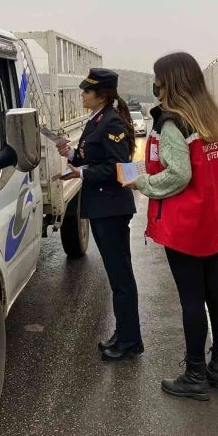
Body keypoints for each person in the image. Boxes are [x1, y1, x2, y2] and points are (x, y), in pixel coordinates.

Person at [126, 52, 218, 400]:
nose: (154, 85)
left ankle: (194, 374)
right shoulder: (208, 118)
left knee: (191, 300)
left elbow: (179, 174)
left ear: (170, 82)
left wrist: (141, 183)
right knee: (216, 293)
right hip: (210, 220)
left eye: (157, 79)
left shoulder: (173, 123)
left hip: (185, 224)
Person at [55, 68, 143, 361]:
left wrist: (82, 173)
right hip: (102, 207)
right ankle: (125, 332)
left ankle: (129, 340)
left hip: (112, 208)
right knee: (117, 276)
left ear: (101, 95)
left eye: (87, 91)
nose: (82, 95)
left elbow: (117, 168)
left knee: (121, 277)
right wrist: (70, 155)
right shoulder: (97, 120)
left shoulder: (112, 122)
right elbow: (89, 156)